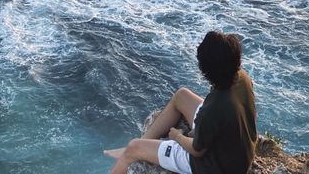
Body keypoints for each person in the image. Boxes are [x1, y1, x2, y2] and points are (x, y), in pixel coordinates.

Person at [104, 31, 257, 174]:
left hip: (215, 167)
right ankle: (145, 142)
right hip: (239, 154)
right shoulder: (242, 77)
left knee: (133, 148)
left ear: (207, 69)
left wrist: (177, 136)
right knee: (181, 96)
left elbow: (198, 150)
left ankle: (131, 152)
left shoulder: (214, 108)